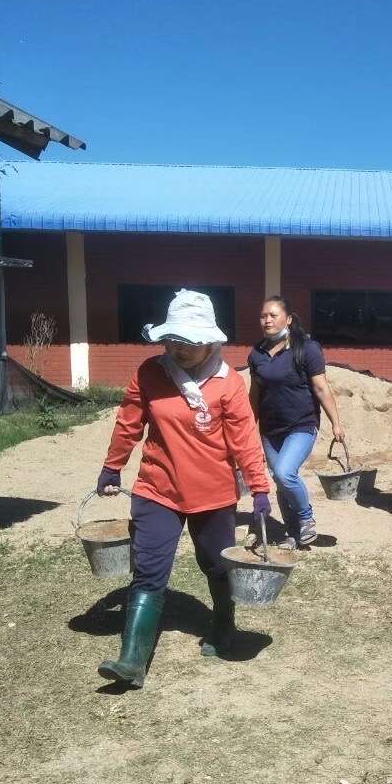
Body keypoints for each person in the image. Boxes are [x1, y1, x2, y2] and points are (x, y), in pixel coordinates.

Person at [94, 290, 271, 688]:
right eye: (173, 340)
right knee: (149, 570)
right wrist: (112, 466)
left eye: (188, 342)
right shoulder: (149, 373)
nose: (179, 349)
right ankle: (132, 660)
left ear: (210, 340)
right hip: (158, 489)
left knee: (215, 564)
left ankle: (224, 625)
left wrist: (259, 489)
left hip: (214, 495)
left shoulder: (229, 385)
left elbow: (244, 440)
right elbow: (129, 424)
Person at [248, 296, 345, 546]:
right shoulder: (257, 353)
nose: (267, 320)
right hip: (270, 429)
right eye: (263, 316)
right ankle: (294, 534)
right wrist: (248, 426)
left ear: (288, 319)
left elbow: (321, 388)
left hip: (302, 425)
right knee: (281, 482)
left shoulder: (307, 348)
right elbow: (255, 394)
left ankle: (306, 518)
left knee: (284, 472)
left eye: (273, 315)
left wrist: (336, 422)